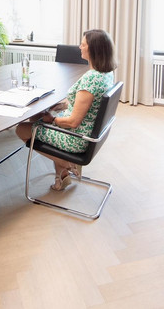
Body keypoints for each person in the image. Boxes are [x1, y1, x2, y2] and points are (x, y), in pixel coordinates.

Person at [16, 29, 117, 191]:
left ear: (93, 49)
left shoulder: (91, 79)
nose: (79, 47)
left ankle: (68, 165)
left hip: (76, 138)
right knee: (37, 117)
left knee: (21, 129)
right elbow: (89, 105)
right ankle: (61, 178)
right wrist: (62, 106)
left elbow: (73, 121)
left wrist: (54, 120)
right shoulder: (105, 74)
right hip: (87, 131)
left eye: (83, 45)